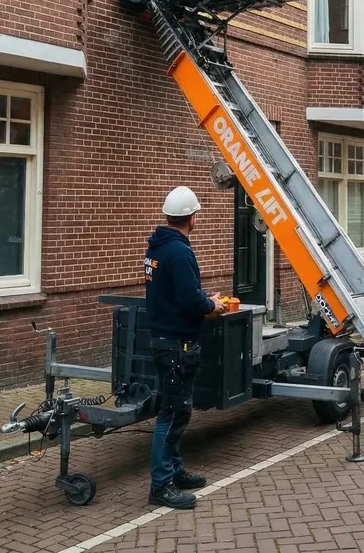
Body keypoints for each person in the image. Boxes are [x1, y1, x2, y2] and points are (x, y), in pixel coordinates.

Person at [144, 185, 228, 509]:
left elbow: (175, 292)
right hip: (177, 344)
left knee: (179, 411)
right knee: (172, 413)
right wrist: (213, 304)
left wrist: (203, 298)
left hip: (166, 340)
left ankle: (175, 470)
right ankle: (160, 485)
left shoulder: (157, 248)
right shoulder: (179, 252)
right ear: (192, 218)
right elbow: (190, 299)